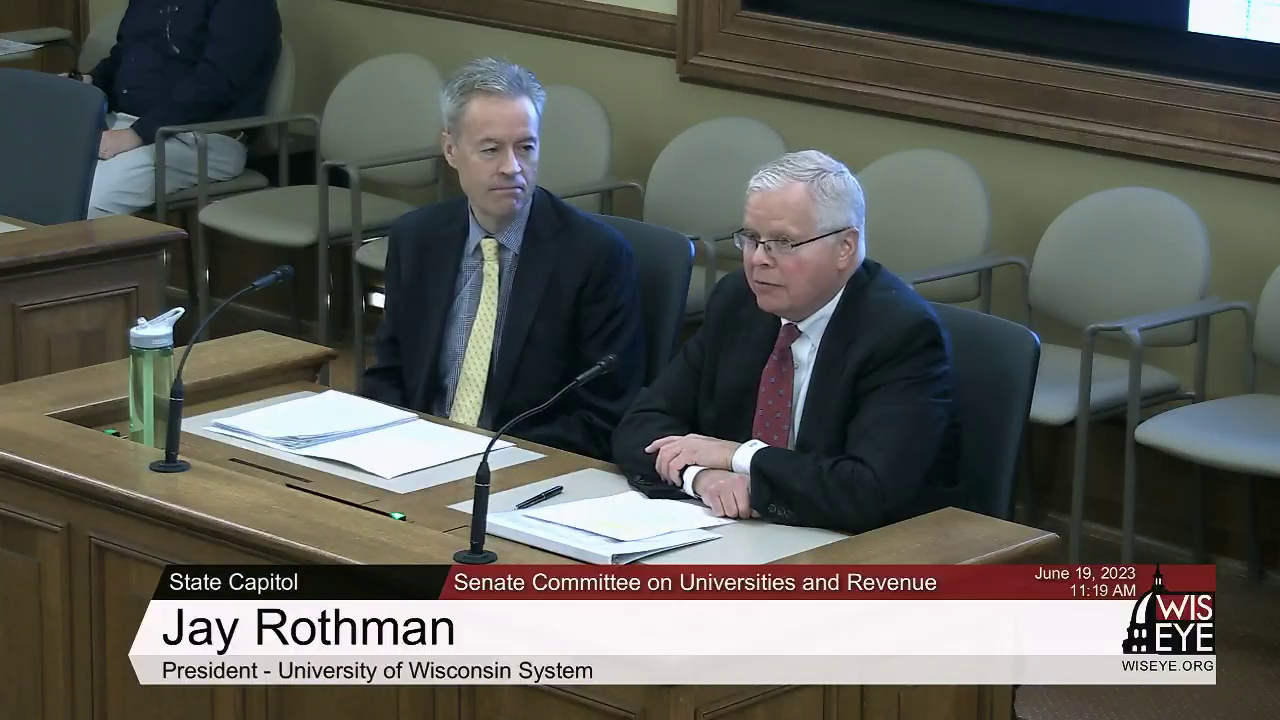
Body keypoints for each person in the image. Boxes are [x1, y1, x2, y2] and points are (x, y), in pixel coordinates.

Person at [611, 150, 962, 533]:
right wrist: (702, 478)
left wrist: (737, 456)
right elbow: (640, 425)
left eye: (783, 242)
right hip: (739, 532)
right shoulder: (739, 302)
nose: (758, 259)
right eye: (751, 238)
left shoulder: (900, 334)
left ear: (845, 247)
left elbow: (867, 491)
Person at [362, 57, 646, 462]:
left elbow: (604, 415)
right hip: (414, 456)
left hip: (525, 465)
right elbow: (389, 372)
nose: (511, 167)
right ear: (451, 150)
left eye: (525, 147)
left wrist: (488, 455)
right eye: (491, 150)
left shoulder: (596, 257)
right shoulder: (417, 239)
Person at [77, 0, 282, 217]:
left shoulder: (246, 6)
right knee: (48, 172)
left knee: (85, 196)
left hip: (205, 137)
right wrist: (88, 81)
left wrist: (137, 134)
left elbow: (215, 83)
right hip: (133, 122)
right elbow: (123, 56)